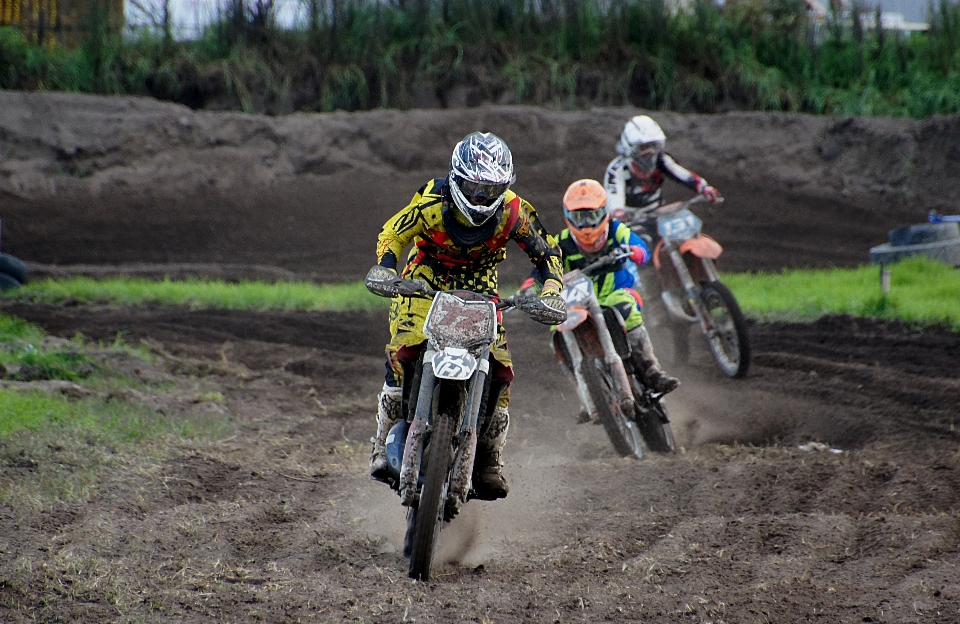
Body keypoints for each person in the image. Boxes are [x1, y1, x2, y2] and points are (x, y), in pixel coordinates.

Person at [366, 131, 565, 501]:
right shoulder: (431, 201)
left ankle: (490, 460)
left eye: (489, 190)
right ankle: (382, 444)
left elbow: (547, 254)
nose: (480, 198)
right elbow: (393, 232)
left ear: (503, 188)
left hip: (481, 287)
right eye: (473, 188)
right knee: (403, 349)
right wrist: (385, 268)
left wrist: (551, 291)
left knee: (500, 368)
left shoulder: (514, 211)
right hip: (425, 278)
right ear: (456, 179)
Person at [520, 179, 679, 398]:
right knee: (556, 329)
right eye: (579, 217)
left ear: (604, 212)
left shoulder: (616, 230)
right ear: (568, 217)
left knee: (626, 308)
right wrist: (529, 287)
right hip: (577, 302)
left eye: (591, 216)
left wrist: (634, 251)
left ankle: (652, 370)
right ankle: (585, 391)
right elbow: (544, 267)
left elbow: (641, 248)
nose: (586, 224)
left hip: (615, 294)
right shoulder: (562, 242)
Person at [604, 115, 721, 243]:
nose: (649, 152)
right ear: (630, 147)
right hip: (633, 220)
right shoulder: (617, 170)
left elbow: (682, 175)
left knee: (689, 234)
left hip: (659, 214)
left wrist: (704, 188)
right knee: (641, 243)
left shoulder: (661, 160)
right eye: (643, 147)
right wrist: (618, 212)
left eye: (653, 145)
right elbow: (614, 199)